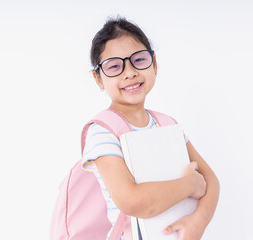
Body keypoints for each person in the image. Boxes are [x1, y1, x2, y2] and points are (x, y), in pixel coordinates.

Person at [82, 16, 220, 240]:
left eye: (139, 60)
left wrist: (199, 221)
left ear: (154, 63)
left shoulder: (168, 124)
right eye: (114, 66)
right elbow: (132, 201)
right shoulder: (102, 131)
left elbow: (211, 181)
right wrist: (190, 185)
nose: (130, 72)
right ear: (98, 79)